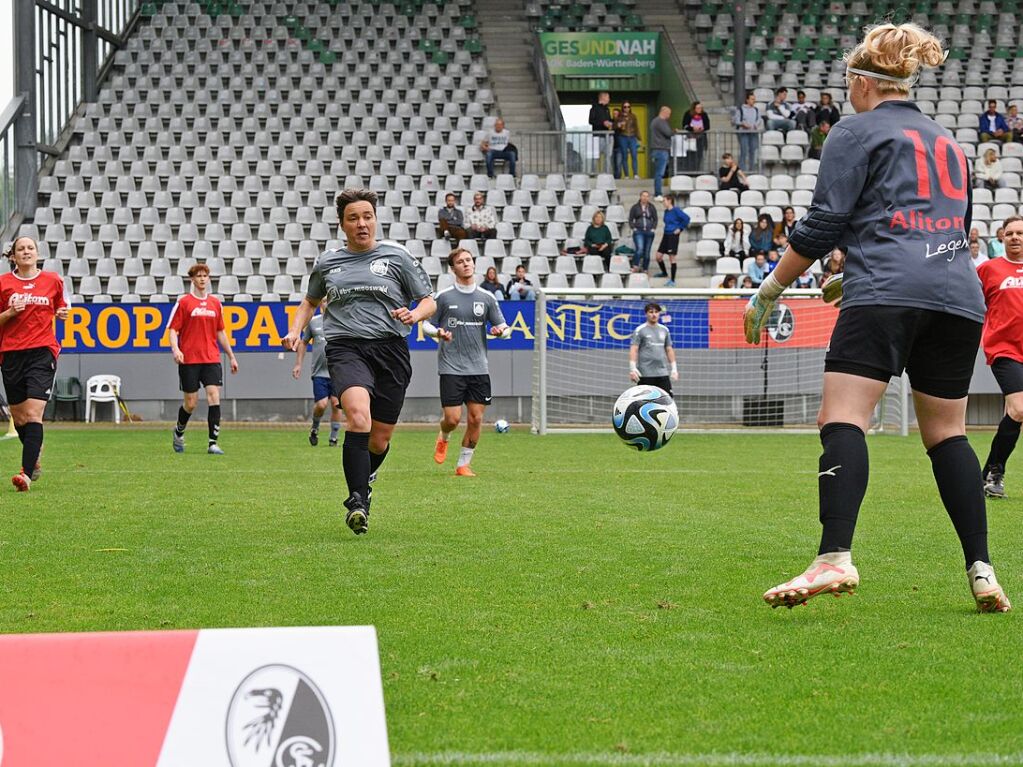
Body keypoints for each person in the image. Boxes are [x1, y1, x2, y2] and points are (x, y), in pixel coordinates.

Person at [744, 22, 1010, 613]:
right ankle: (982, 569)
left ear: (863, 81)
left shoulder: (855, 131)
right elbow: (950, 232)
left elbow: (821, 225)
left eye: (848, 82)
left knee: (842, 418)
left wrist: (771, 289)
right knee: (948, 435)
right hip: (958, 297)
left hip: (887, 291)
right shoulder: (949, 142)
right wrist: (855, 271)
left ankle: (834, 555)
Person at [282, 188, 436, 536]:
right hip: (346, 348)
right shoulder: (328, 262)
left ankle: (363, 486)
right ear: (343, 224)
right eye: (353, 218)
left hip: (391, 350)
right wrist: (295, 330)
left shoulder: (397, 257)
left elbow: (429, 301)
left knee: (379, 440)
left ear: (375, 220)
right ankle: (357, 502)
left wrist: (413, 314)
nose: (362, 223)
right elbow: (309, 301)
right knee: (358, 416)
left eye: (367, 216)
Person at [425, 248, 510, 477]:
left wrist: (500, 331)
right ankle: (444, 437)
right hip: (451, 365)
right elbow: (425, 325)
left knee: (476, 418)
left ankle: (463, 464)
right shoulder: (443, 297)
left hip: (478, 367)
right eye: (460, 262)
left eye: (468, 260)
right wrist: (438, 333)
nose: (466, 264)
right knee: (452, 419)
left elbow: (504, 327)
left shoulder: (487, 298)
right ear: (453, 269)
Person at [0, 236, 69, 491]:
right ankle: (34, 454)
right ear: (13, 256)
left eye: (30, 248)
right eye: (21, 249)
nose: (26, 252)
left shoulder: (53, 280)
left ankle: (25, 474)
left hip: (42, 352)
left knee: (33, 414)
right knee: (19, 419)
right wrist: (9, 312)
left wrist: (61, 313)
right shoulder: (3, 283)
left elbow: (60, 307)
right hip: (11, 354)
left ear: (37, 254)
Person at [168, 262, 238, 456]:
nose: (202, 279)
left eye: (205, 275)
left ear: (208, 279)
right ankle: (179, 431)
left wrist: (231, 356)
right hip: (189, 359)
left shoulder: (216, 303)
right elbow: (173, 329)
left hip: (211, 358)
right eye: (198, 276)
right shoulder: (184, 303)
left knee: (214, 396)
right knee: (191, 403)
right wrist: (176, 349)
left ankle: (212, 443)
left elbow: (221, 332)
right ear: (192, 279)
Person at [976, 217, 1023, 500]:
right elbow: (969, 303)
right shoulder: (987, 270)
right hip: (1004, 349)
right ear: (1001, 238)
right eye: (1010, 233)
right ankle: (996, 473)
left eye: (1020, 233)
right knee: (1018, 409)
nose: (1015, 237)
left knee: (1013, 414)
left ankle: (986, 475)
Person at [292, 301, 345, 447]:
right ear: (321, 304)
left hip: (337, 372)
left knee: (336, 404)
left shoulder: (342, 321)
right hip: (320, 372)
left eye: (330, 301)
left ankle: (333, 437)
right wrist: (298, 364)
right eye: (325, 301)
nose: (327, 304)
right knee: (321, 405)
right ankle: (315, 428)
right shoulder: (314, 322)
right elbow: (303, 342)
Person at [629, 302, 678, 395]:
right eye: (651, 312)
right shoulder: (640, 330)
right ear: (646, 314)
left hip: (662, 373)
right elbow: (634, 349)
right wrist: (632, 368)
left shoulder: (665, 330)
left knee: (667, 401)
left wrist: (674, 369)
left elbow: (669, 349)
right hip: (645, 374)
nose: (654, 314)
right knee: (644, 401)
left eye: (656, 312)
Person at [654, 194, 690, 286]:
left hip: (673, 236)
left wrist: (680, 228)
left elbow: (687, 218)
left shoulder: (676, 210)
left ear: (669, 201)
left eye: (664, 200)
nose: (663, 203)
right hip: (666, 235)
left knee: (672, 257)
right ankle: (664, 273)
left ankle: (672, 280)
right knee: (658, 256)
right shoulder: (666, 211)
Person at [629, 191, 658, 273]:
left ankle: (645, 268)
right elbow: (630, 219)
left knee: (647, 252)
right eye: (643, 196)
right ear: (640, 197)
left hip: (649, 231)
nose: (645, 198)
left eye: (647, 196)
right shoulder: (635, 207)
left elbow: (655, 219)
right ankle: (635, 266)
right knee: (640, 249)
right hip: (638, 231)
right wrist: (633, 228)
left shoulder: (652, 207)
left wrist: (653, 228)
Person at [649, 106, 673, 199]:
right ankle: (658, 193)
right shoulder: (660, 121)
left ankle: (658, 193)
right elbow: (668, 133)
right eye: (669, 113)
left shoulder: (655, 121)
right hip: (660, 150)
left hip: (658, 150)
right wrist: (673, 132)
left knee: (659, 173)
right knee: (659, 173)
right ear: (664, 112)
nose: (669, 116)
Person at [734, 91, 761, 172]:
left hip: (753, 132)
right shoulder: (741, 109)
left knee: (753, 151)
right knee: (744, 151)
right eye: (752, 99)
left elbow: (759, 119)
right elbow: (736, 120)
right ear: (747, 100)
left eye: (754, 99)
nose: (754, 101)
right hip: (743, 132)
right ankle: (742, 169)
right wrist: (743, 124)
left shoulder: (756, 109)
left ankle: (751, 169)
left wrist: (756, 124)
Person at [588, 91, 614, 173]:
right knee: (595, 156)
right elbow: (591, 121)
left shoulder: (607, 109)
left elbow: (609, 120)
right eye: (608, 97)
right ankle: (594, 173)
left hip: (607, 136)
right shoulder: (594, 108)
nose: (609, 99)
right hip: (597, 136)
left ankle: (606, 173)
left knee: (608, 156)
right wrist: (603, 123)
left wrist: (611, 123)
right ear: (603, 97)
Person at [682, 101, 710, 171]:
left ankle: (697, 171)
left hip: (701, 138)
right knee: (690, 156)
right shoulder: (688, 114)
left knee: (699, 156)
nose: (699, 109)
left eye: (700, 108)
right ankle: (689, 171)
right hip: (691, 138)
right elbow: (685, 125)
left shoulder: (704, 114)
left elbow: (707, 126)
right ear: (694, 108)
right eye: (697, 108)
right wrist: (692, 128)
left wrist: (702, 128)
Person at [616, 101, 640, 178]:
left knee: (634, 155)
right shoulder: (619, 117)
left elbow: (636, 127)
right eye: (625, 107)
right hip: (623, 137)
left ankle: (635, 174)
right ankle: (626, 175)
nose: (627, 108)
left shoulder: (633, 116)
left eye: (628, 107)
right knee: (624, 156)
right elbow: (614, 126)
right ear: (622, 108)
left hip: (632, 136)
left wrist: (639, 137)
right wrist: (619, 125)